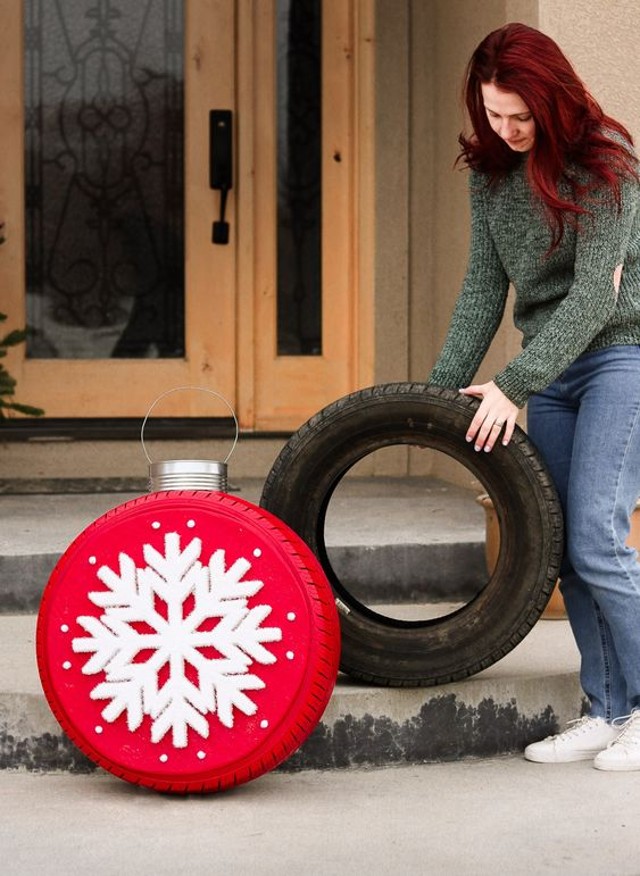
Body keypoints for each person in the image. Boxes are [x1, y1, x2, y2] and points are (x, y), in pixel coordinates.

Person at [429, 22, 640, 770]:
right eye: (495, 114)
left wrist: (513, 382)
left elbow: (593, 299)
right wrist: (431, 401)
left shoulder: (607, 165)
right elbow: (484, 289)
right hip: (553, 370)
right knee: (565, 553)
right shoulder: (490, 179)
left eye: (522, 116)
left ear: (553, 101)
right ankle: (607, 708)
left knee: (598, 537)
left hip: (621, 356)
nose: (509, 130)